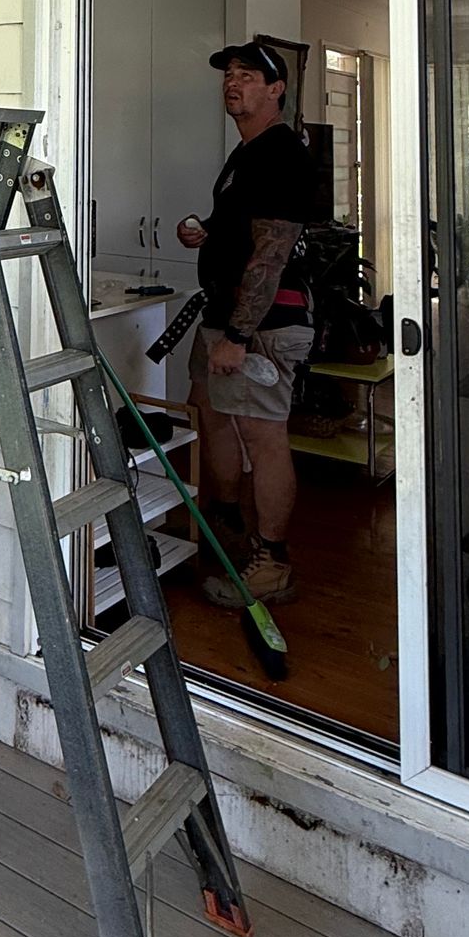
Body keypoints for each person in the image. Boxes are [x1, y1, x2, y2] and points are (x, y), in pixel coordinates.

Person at [175, 38, 314, 607]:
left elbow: (272, 254)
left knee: (263, 435)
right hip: (224, 315)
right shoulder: (247, 153)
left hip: (261, 325)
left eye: (248, 76)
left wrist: (237, 336)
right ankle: (229, 524)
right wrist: (205, 232)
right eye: (229, 74)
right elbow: (243, 229)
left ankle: (273, 563)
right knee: (212, 414)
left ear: (276, 89)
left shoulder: (280, 153)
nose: (233, 83)